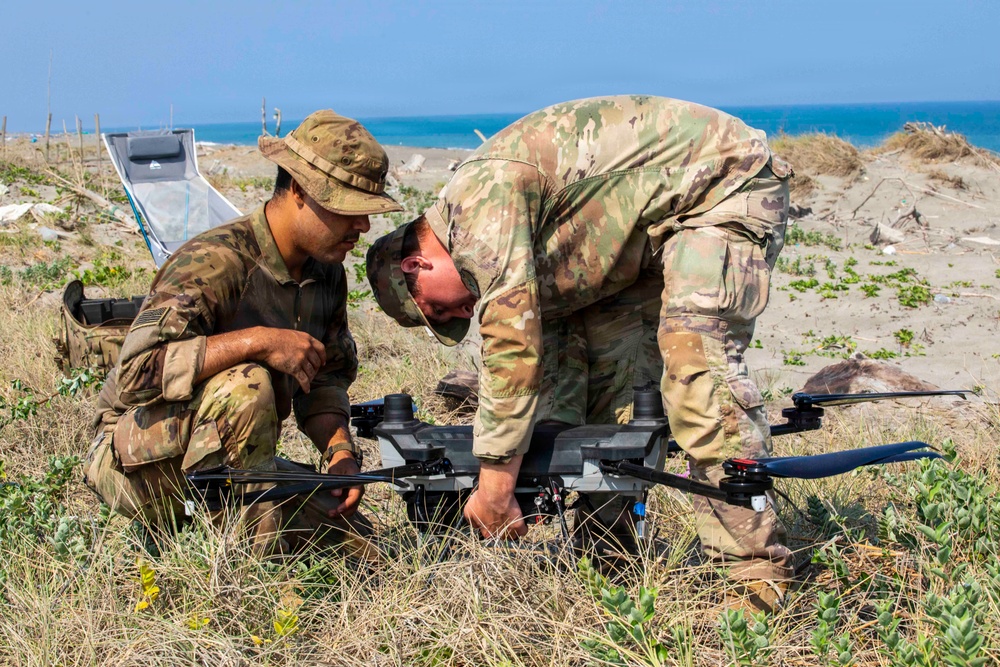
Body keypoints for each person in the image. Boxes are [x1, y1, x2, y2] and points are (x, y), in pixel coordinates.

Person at [367, 95, 793, 610]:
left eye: (439, 313)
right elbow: (553, 362)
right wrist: (543, 456)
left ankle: (752, 578)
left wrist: (496, 485)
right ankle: (607, 552)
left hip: (721, 186)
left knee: (696, 366)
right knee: (618, 393)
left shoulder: (477, 205)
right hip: (645, 235)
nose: (461, 316)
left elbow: (512, 345)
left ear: (416, 266)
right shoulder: (511, 242)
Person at [84, 110, 402, 555]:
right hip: (132, 459)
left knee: (361, 547)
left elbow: (325, 378)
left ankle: (242, 527)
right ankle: (244, 580)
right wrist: (259, 341)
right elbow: (136, 374)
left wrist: (339, 453)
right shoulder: (213, 263)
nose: (363, 226)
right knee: (247, 384)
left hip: (227, 452)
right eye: (348, 209)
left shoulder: (326, 272)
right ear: (297, 191)